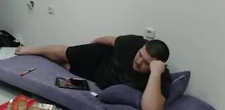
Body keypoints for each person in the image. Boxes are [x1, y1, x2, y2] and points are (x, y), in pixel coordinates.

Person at [16, 35, 172, 109]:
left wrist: (155, 73)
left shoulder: (160, 77)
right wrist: (94, 44)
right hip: (101, 58)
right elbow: (112, 40)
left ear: (157, 65)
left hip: (98, 78)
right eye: (140, 55)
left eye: (146, 62)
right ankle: (33, 50)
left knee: (66, 66)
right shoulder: (134, 42)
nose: (138, 61)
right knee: (66, 53)